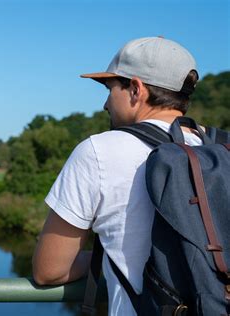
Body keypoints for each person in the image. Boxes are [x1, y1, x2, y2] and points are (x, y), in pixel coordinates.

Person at [32, 37, 201, 315]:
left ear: (135, 89)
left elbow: (49, 270)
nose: (105, 104)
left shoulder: (98, 151)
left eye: (110, 89)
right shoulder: (216, 150)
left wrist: (110, 255)